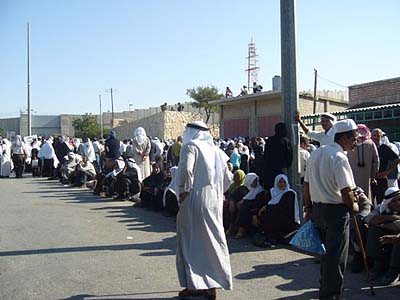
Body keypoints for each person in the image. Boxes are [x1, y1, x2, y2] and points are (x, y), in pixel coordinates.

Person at [176, 120, 233, 300]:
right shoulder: (217, 151)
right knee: (213, 243)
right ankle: (212, 286)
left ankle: (195, 286)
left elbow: (185, 171)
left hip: (194, 200)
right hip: (214, 202)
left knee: (191, 243)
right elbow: (228, 178)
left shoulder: (190, 147)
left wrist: (183, 192)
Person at [303, 119, 359, 300]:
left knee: (326, 255)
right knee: (336, 257)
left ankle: (324, 290)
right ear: (344, 137)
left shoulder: (316, 154)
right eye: (354, 138)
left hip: (319, 210)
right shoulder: (339, 157)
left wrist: (309, 208)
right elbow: (346, 191)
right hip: (336, 212)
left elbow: (306, 185)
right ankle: (331, 295)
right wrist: (354, 206)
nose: (355, 142)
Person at [365, 186, 400, 285]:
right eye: (394, 201)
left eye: (399, 199)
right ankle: (378, 266)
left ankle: (394, 271)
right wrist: (392, 217)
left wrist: (383, 224)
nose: (398, 203)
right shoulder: (382, 208)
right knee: (374, 229)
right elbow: (369, 219)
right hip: (387, 239)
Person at [258, 174, 300, 245]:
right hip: (275, 219)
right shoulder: (272, 192)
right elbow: (263, 203)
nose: (282, 184)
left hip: (287, 220)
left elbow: (282, 207)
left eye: (284, 182)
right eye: (280, 182)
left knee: (272, 213)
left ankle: (272, 236)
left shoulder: (290, 193)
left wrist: (266, 207)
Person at [347, 124, 379, 202]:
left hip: (351, 177)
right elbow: (376, 161)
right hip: (366, 176)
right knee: (366, 196)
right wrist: (373, 176)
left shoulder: (349, 144)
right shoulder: (371, 144)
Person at [371, 128, 400, 205]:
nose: (376, 138)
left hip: (381, 179)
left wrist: (387, 171)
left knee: (382, 202)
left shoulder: (384, 148)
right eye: (374, 136)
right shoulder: (368, 148)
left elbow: (396, 159)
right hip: (370, 180)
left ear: (381, 137)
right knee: (370, 202)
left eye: (378, 136)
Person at [262, 122, 293, 189]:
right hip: (281, 169)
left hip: (269, 169)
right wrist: (286, 166)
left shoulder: (270, 140)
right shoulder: (286, 141)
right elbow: (289, 156)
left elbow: (266, 156)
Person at [224, 169, 249, 235]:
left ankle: (236, 228)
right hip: (233, 203)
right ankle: (229, 226)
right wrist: (230, 201)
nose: (235, 178)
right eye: (234, 176)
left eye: (237, 176)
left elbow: (246, 197)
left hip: (241, 204)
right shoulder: (232, 185)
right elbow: (229, 194)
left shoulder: (244, 187)